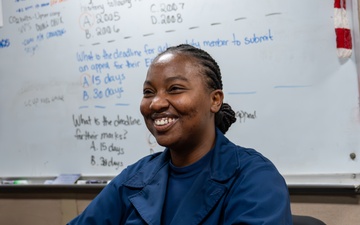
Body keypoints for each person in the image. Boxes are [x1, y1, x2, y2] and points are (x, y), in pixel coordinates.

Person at [67, 44, 293, 224]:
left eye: (175, 89)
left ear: (214, 100)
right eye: (148, 92)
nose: (155, 103)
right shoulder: (134, 179)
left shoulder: (254, 178)